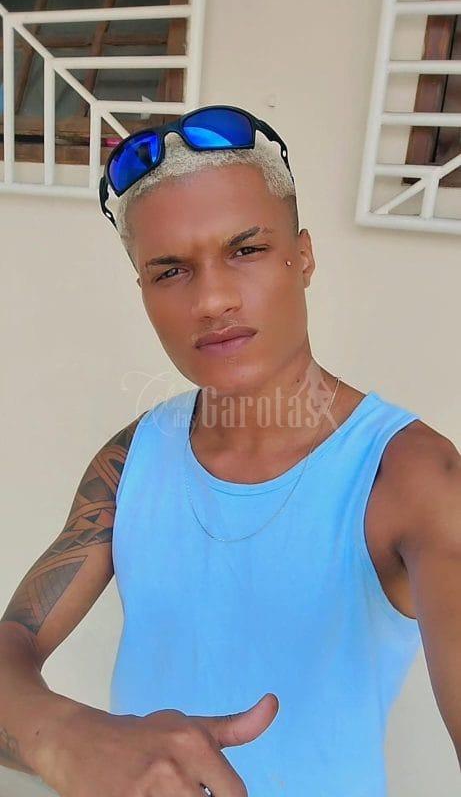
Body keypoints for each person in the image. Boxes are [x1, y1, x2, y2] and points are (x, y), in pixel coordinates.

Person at [1, 104, 460, 797]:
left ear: (303, 257)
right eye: (170, 271)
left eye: (245, 250)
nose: (212, 299)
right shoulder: (131, 460)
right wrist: (63, 739)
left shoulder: (410, 477)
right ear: (143, 292)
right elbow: (12, 646)